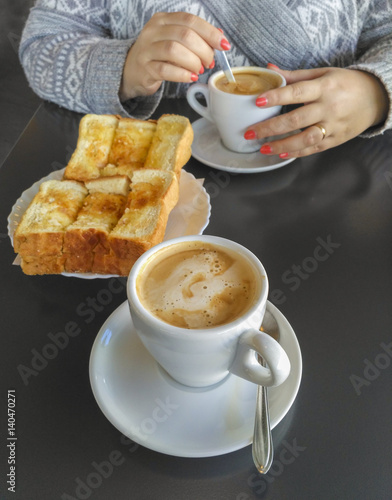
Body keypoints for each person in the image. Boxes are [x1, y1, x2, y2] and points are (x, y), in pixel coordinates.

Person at [19, 0, 392, 159]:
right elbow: (42, 45)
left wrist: (374, 90)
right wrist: (123, 68)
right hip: (152, 175)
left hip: (330, 182)